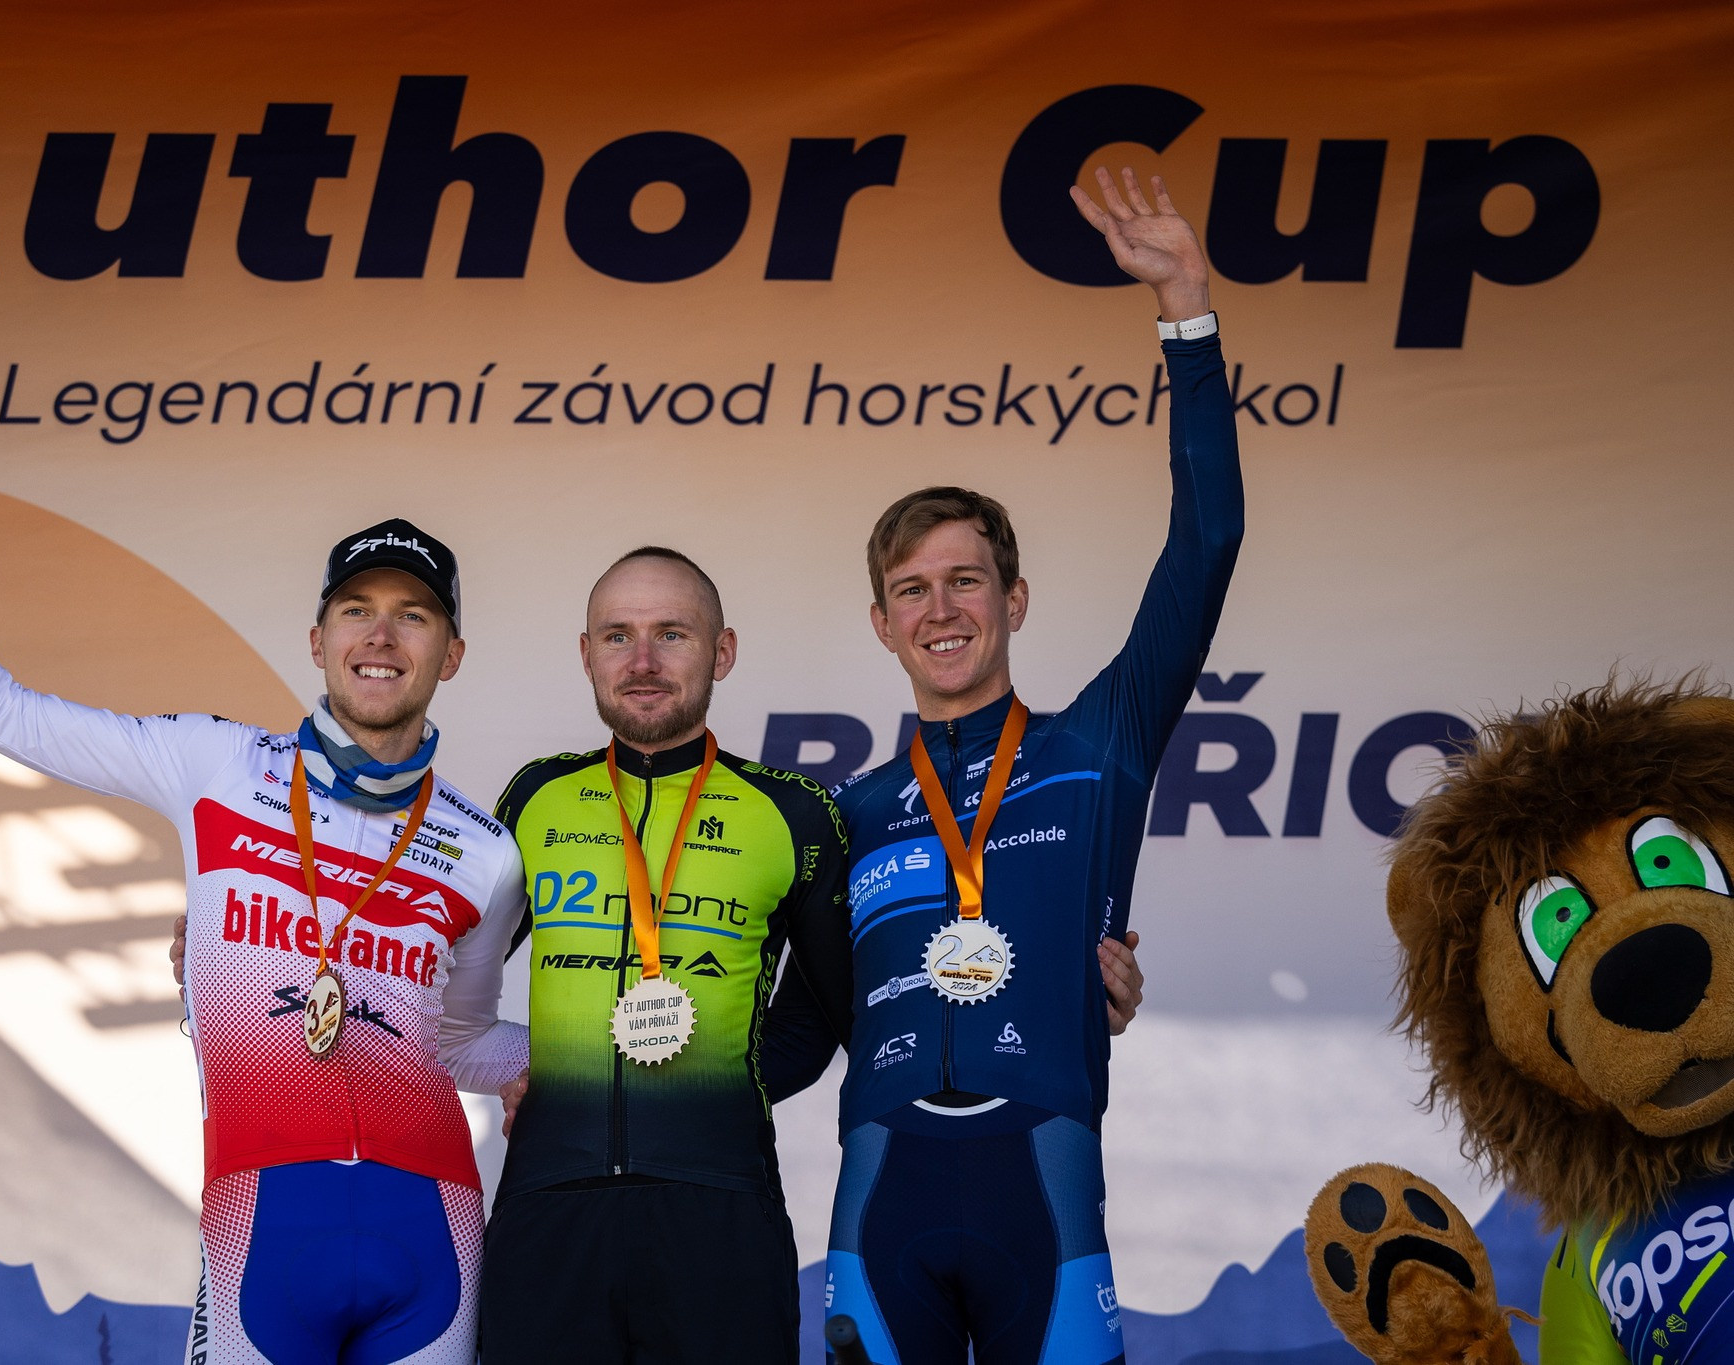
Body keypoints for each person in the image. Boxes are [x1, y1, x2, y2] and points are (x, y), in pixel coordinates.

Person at [0, 373, 529, 1365]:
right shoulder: (216, 765)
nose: (380, 634)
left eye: (413, 615)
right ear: (317, 640)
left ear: (449, 653)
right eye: (356, 609)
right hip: (262, 1222)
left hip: (434, 1234)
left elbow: (458, 1042)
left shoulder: (485, 850)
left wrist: (577, 1060)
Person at [815, 168, 1244, 1365]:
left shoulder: (1094, 746)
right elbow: (780, 1013)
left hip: (1043, 1191)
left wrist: (1184, 308)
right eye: (911, 591)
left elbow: (1205, 542)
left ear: (1013, 598)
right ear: (881, 624)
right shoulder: (845, 813)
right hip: (879, 1199)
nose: (940, 610)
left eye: (964, 581)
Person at [477, 547, 857, 1365]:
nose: (642, 660)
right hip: (549, 1210)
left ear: (722, 650)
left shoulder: (792, 812)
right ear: (587, 654)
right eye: (618, 636)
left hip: (720, 1214)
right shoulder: (538, 795)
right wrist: (532, 1063)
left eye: (671, 634)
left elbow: (834, 1011)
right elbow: (438, 977)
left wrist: (707, 1092)